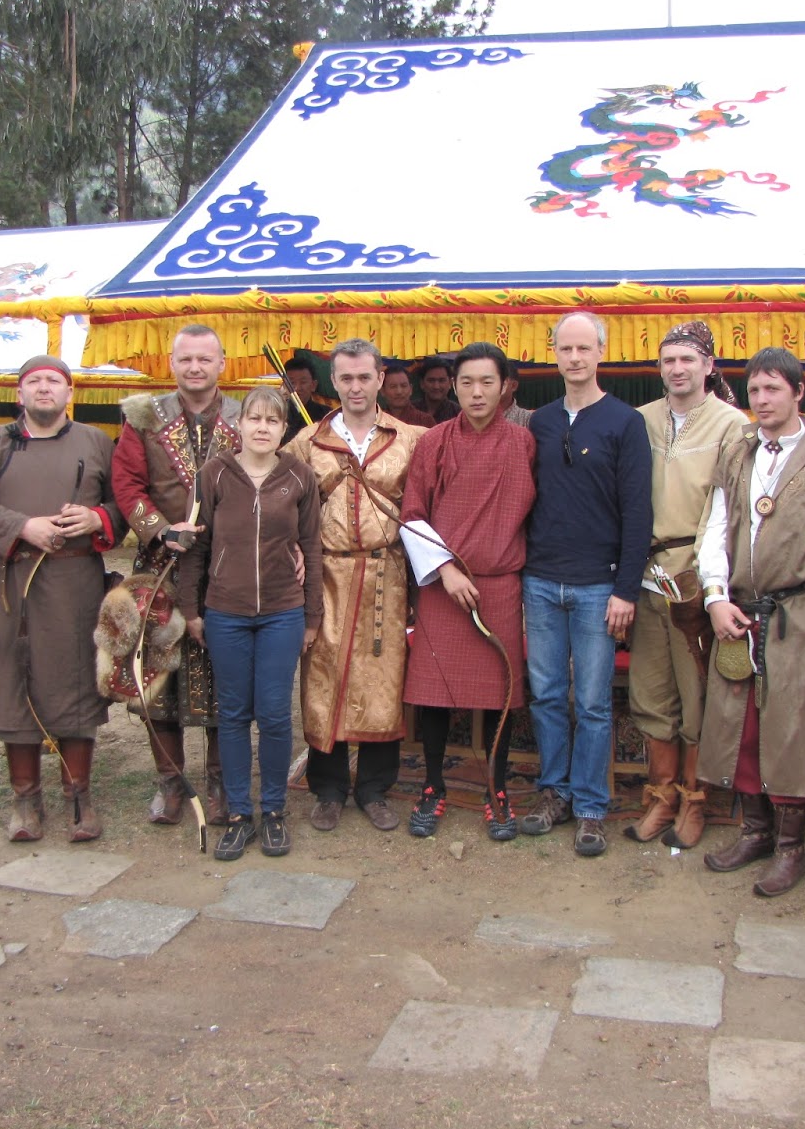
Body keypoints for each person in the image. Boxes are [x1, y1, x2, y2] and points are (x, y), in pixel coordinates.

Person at [0, 356, 125, 843]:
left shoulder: (94, 442)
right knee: (14, 684)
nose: (44, 388)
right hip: (14, 583)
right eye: (34, 381)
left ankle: (79, 797)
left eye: (54, 381)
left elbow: (123, 503)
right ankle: (25, 800)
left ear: (70, 393)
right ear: (19, 393)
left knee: (74, 684)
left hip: (76, 585)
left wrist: (96, 519)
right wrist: (21, 526)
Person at [697, 348, 805, 895]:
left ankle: (791, 848)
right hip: (741, 610)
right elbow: (715, 525)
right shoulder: (738, 452)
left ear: (798, 392)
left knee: (794, 731)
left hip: (802, 611)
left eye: (773, 390)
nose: (761, 401)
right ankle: (757, 832)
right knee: (745, 730)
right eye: (755, 391)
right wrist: (715, 596)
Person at [519, 311, 653, 857]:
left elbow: (638, 512)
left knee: (593, 701)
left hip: (600, 585)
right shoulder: (541, 423)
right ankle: (554, 791)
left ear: (602, 351)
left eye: (584, 348)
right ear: (554, 354)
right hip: (542, 579)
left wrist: (626, 589)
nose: (574, 359)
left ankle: (592, 806)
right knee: (548, 695)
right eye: (564, 349)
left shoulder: (625, 422)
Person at [174, 387, 323, 861]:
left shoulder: (299, 477)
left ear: (284, 430)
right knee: (234, 714)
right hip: (226, 612)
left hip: (282, 611)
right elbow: (196, 545)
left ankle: (274, 811)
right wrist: (191, 610)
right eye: (254, 418)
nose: (262, 427)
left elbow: (312, 547)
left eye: (272, 421)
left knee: (276, 714)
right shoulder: (214, 474)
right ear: (238, 425)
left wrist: (312, 614)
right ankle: (239, 814)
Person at [284, 339, 425, 832]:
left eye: (365, 377)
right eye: (346, 378)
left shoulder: (411, 439)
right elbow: (281, 506)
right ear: (334, 382)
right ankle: (327, 788)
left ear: (380, 377)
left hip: (388, 574)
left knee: (382, 679)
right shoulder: (305, 442)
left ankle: (373, 788)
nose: (356, 387)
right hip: (325, 576)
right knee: (323, 676)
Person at [401, 341, 536, 840]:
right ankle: (433, 786)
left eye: (486, 382)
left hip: (499, 586)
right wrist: (446, 571)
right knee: (434, 694)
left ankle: (496, 788)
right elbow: (411, 514)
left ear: (505, 387)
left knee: (498, 693)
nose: (476, 393)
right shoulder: (434, 441)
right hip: (442, 584)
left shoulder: (522, 443)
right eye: (466, 383)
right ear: (453, 387)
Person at [111, 323, 241, 827]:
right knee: (158, 681)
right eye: (185, 359)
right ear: (172, 363)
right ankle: (170, 784)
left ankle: (219, 784)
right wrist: (160, 530)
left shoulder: (243, 415)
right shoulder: (144, 416)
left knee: (221, 679)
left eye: (205, 359)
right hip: (159, 568)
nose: (195, 368)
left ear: (222, 364)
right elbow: (126, 483)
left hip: (224, 570)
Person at [624, 321, 746, 847]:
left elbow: (732, 510)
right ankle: (661, 796)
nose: (677, 369)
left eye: (688, 360)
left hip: (696, 580)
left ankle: (696, 802)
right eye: (669, 360)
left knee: (698, 698)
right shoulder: (639, 420)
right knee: (650, 695)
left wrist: (710, 579)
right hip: (642, 574)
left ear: (709, 366)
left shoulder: (731, 425)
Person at [379, 363, 436, 428]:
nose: (399, 392)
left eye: (404, 386)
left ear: (411, 389)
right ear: (382, 391)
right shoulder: (377, 421)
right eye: (393, 386)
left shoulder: (425, 421)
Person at [414, 357, 460, 423]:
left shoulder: (458, 414)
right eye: (431, 380)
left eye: (441, 380)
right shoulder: (410, 410)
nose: (436, 386)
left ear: (450, 383)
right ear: (422, 384)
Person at [500, 360, 534, 428]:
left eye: (501, 381)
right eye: (487, 382)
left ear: (514, 385)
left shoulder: (529, 419)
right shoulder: (475, 417)